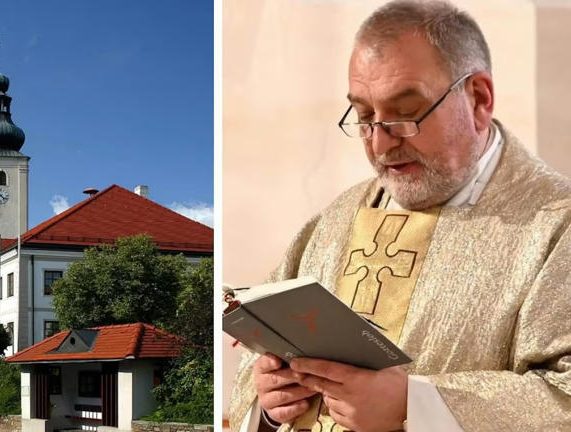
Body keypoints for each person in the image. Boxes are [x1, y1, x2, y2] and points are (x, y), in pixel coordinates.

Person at [228, 1, 571, 431]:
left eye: (405, 114)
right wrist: (270, 404)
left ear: (479, 99)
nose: (380, 143)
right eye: (365, 115)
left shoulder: (557, 225)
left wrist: (415, 406)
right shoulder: (333, 221)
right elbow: (256, 366)